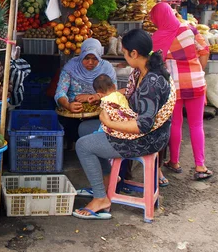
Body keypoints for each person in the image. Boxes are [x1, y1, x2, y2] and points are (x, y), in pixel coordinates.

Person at [73, 29, 176, 219]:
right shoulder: (142, 71)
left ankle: (100, 199)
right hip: (146, 130)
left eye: (124, 52)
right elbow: (131, 93)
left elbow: (142, 125)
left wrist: (109, 122)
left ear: (134, 53)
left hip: (148, 138)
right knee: (84, 128)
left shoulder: (151, 82)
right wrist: (103, 96)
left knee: (83, 146)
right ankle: (106, 182)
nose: (124, 55)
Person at [150, 2, 213, 181]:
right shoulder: (190, 29)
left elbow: (154, 63)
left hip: (174, 86)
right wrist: (198, 70)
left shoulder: (157, 37)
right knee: (196, 125)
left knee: (175, 123)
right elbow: (204, 50)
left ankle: (175, 162)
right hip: (196, 82)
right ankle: (200, 166)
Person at [54, 39, 117, 141]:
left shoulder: (106, 68)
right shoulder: (71, 67)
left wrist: (91, 97)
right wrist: (67, 105)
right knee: (69, 126)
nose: (90, 62)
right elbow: (60, 92)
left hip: (98, 112)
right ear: (81, 55)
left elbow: (113, 95)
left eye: (94, 58)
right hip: (72, 112)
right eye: (86, 58)